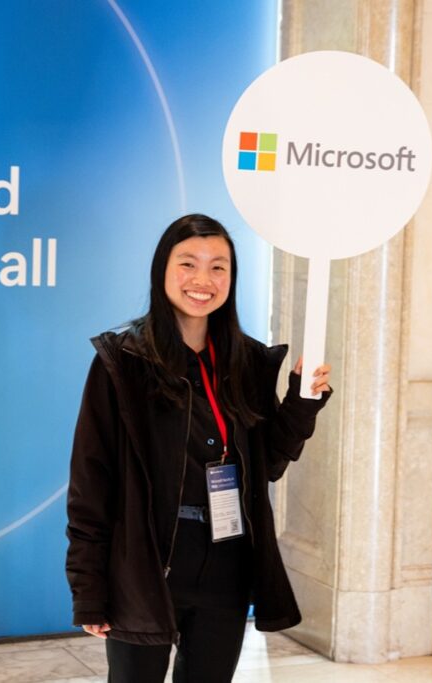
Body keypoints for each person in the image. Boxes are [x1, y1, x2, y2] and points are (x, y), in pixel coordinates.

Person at [65, 213, 332, 683]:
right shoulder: (122, 362)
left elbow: (266, 463)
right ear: (162, 271)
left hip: (225, 560)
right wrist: (89, 589)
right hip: (146, 567)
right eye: (188, 263)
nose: (202, 280)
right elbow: (91, 483)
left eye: (218, 267)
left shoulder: (246, 362)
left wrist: (302, 401)